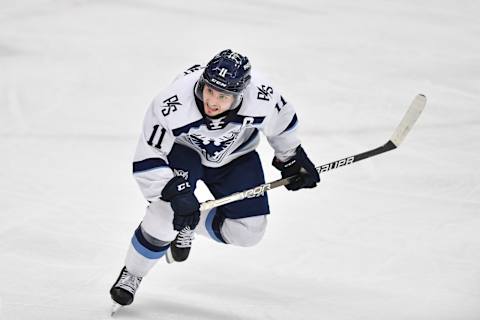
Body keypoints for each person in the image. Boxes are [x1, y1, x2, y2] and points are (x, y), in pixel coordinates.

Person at [109, 49, 320, 308]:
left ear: (241, 94)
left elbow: (282, 124)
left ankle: (187, 224)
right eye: (209, 91)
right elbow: (148, 157)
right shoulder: (172, 103)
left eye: (222, 96)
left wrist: (291, 159)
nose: (212, 102)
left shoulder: (263, 96)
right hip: (184, 152)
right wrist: (174, 195)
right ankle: (133, 272)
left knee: (248, 232)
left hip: (236, 157)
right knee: (164, 212)